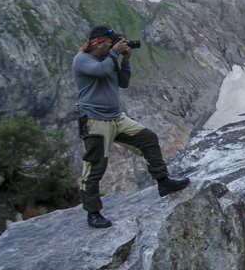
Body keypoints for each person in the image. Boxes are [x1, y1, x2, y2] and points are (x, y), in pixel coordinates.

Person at [72, 25, 188, 228]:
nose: (114, 45)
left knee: (148, 139)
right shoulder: (82, 60)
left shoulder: (109, 60)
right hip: (94, 120)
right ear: (98, 42)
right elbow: (100, 72)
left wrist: (125, 61)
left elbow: (123, 83)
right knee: (95, 164)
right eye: (111, 42)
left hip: (116, 118)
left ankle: (163, 182)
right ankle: (93, 212)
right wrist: (115, 54)